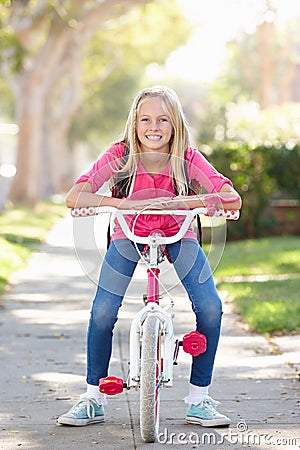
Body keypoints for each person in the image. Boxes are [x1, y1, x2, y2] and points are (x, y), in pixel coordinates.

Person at [57, 86, 242, 428]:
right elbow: (75, 196)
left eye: (162, 119)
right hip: (128, 233)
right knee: (102, 310)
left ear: (174, 125)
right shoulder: (120, 155)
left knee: (211, 307)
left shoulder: (187, 158)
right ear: (134, 122)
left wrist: (181, 203)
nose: (153, 127)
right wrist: (120, 204)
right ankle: (93, 397)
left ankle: (199, 398)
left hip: (178, 233)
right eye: (145, 119)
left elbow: (231, 199)